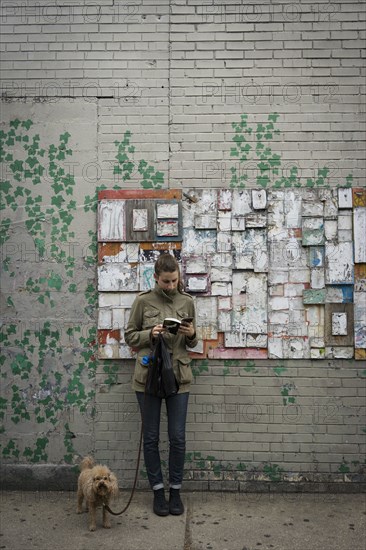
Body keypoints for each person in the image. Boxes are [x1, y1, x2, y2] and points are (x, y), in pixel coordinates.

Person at [125, 253, 198, 517]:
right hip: (148, 377)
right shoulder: (143, 301)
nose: (170, 286)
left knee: (177, 438)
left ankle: (175, 491)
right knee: (152, 438)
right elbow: (130, 335)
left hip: (179, 376)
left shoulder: (187, 301)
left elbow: (192, 342)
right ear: (156, 277)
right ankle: (158, 492)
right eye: (166, 281)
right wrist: (150, 333)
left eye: (174, 281)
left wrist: (191, 334)